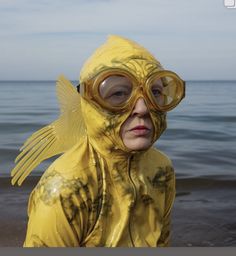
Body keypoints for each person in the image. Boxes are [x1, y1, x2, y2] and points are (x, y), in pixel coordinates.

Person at [11, 35, 185, 247]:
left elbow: (162, 241)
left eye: (155, 92)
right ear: (89, 102)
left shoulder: (162, 169)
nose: (143, 108)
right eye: (118, 93)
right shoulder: (65, 190)